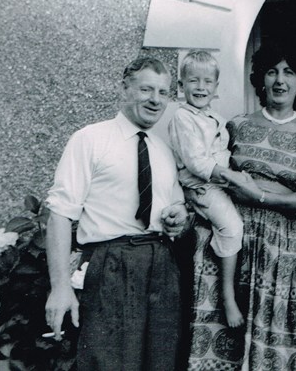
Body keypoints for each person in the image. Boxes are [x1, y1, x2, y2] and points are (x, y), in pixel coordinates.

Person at [186, 42, 296, 371]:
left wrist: (263, 198)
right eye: (271, 71)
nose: (280, 80)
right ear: (260, 79)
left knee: (269, 330)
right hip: (230, 236)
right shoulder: (236, 126)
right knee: (221, 325)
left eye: (289, 72)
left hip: (279, 245)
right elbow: (204, 169)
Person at [44, 56, 188, 371]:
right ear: (124, 88)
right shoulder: (90, 139)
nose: (155, 100)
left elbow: (176, 207)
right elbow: (59, 214)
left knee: (161, 362)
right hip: (110, 263)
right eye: (146, 89)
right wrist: (60, 287)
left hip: (161, 264)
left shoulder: (164, 151)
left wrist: (179, 216)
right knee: (107, 362)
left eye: (163, 93)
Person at [168, 50, 245, 328]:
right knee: (233, 227)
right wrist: (230, 176)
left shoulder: (213, 116)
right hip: (203, 186)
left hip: (217, 183)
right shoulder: (183, 117)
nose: (201, 87)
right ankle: (228, 296)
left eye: (207, 82)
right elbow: (196, 161)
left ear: (215, 87)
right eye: (193, 81)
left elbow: (221, 150)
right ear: (181, 86)